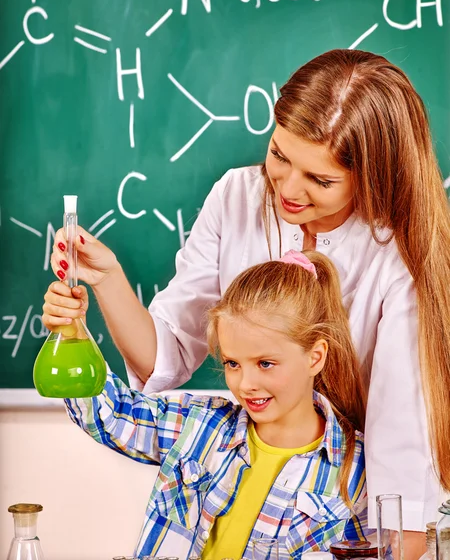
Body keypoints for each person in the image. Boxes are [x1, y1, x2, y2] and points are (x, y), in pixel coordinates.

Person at [43, 49, 450, 558]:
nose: (288, 190)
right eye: (279, 155)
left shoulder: (397, 261)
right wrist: (105, 280)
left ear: (370, 176)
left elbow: (402, 472)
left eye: (320, 180)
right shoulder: (236, 196)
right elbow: (161, 358)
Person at [64, 251, 369, 558]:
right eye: (232, 363)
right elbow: (110, 414)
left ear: (315, 357)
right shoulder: (200, 425)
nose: (245, 384)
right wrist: (70, 332)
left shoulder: (355, 470)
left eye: (265, 363)